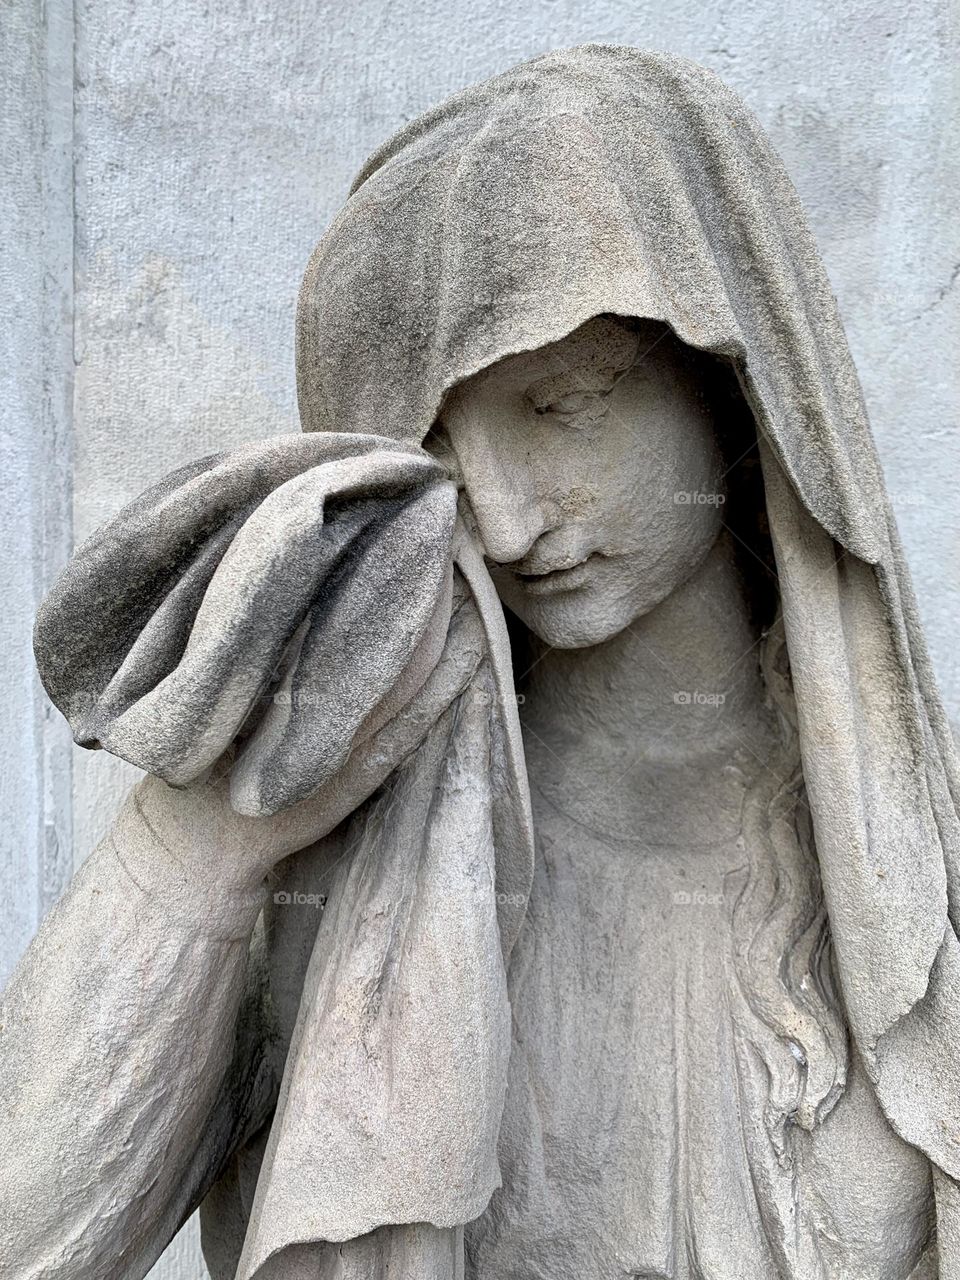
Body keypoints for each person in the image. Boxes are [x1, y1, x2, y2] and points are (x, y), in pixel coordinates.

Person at [3, 44, 958, 1279]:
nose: (500, 522)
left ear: (730, 385)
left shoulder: (910, 885)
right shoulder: (338, 861)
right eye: (442, 443)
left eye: (562, 405)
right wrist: (200, 854)